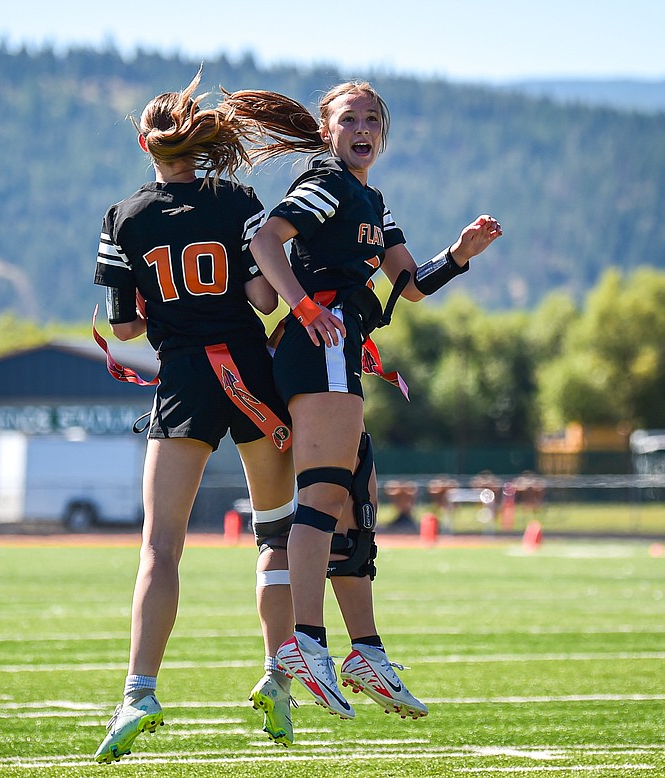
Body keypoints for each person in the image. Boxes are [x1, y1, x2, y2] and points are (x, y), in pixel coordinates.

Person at [229, 81, 503, 719]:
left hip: (342, 348)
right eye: (349, 118)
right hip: (318, 343)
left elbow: (409, 286)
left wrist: (460, 254)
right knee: (323, 496)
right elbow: (267, 240)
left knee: (355, 507)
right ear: (328, 131)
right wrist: (299, 303)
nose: (363, 127)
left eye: (373, 119)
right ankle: (304, 641)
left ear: (384, 133)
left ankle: (366, 651)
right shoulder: (327, 182)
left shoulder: (371, 199)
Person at [90, 71, 300, 763]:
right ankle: (278, 676)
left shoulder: (123, 216)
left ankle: (138, 691)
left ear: (144, 142)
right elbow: (264, 298)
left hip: (182, 380)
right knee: (274, 535)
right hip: (249, 377)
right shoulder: (235, 199)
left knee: (160, 547)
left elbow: (122, 330)